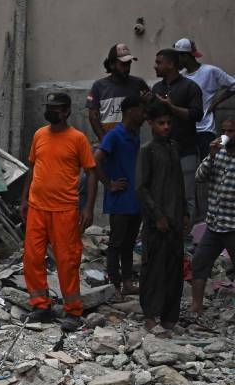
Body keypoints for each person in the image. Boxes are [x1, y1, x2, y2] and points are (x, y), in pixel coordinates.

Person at [19, 92, 97, 332]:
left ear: (66, 111)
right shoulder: (39, 135)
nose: (51, 111)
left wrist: (88, 208)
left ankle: (73, 310)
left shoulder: (78, 139)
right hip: (37, 208)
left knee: (67, 260)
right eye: (48, 107)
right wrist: (24, 199)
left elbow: (91, 173)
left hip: (65, 210)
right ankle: (41, 306)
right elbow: (33, 168)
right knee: (32, 258)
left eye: (56, 108)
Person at [136, 101, 187, 330]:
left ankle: (169, 317)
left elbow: (179, 184)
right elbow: (141, 188)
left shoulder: (173, 147)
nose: (166, 127)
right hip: (157, 221)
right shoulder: (147, 150)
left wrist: (184, 212)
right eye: (161, 123)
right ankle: (150, 315)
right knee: (153, 268)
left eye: (168, 122)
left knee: (174, 268)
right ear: (150, 124)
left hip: (175, 218)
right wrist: (157, 215)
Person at [94, 95, 144, 299]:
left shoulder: (135, 135)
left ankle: (127, 282)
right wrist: (109, 184)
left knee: (129, 244)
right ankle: (114, 285)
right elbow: (96, 160)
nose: (144, 114)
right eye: (141, 110)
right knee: (116, 244)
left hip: (135, 201)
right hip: (120, 201)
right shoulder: (114, 135)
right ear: (131, 111)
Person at [190, 119, 235, 320]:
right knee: (199, 262)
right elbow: (199, 177)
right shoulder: (218, 154)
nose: (226, 134)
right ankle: (196, 306)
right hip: (214, 224)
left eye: (231, 131)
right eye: (224, 131)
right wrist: (211, 155)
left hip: (232, 225)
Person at [151, 48, 203, 221]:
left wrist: (172, 108)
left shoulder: (190, 87)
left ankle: (186, 238)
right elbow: (152, 115)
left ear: (171, 64)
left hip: (185, 151)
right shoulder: (157, 88)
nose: (155, 66)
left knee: (186, 196)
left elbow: (197, 115)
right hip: (161, 152)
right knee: (162, 193)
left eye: (159, 62)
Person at [174, 38, 235, 159]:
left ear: (186, 56)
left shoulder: (210, 71)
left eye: (178, 56)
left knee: (208, 165)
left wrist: (216, 103)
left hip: (205, 130)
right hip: (187, 131)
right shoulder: (181, 76)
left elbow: (233, 85)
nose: (176, 60)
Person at [86, 43, 149, 141]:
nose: (127, 68)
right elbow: (93, 116)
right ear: (112, 65)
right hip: (108, 143)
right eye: (123, 64)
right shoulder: (98, 86)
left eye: (129, 64)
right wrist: (104, 140)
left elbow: (149, 108)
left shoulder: (138, 83)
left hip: (131, 142)